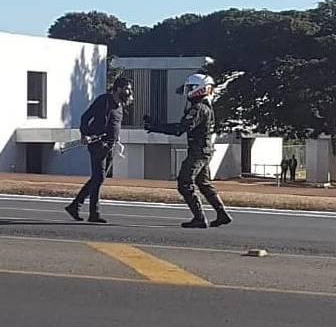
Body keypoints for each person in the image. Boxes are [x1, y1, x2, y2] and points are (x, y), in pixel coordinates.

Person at [144, 73, 232, 229]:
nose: (187, 91)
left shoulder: (198, 109)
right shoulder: (205, 108)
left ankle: (199, 218)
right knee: (203, 182)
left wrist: (157, 126)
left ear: (199, 89)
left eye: (190, 88)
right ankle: (222, 214)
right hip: (204, 150)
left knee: (184, 182)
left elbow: (180, 128)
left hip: (198, 152)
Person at [64, 77, 133, 223]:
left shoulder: (119, 105)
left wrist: (117, 142)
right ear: (118, 88)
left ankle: (75, 206)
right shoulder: (104, 101)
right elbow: (85, 117)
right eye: (127, 88)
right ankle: (93, 213)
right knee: (99, 178)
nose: (129, 92)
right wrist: (85, 134)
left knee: (97, 178)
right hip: (98, 144)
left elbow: (114, 126)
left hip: (110, 146)